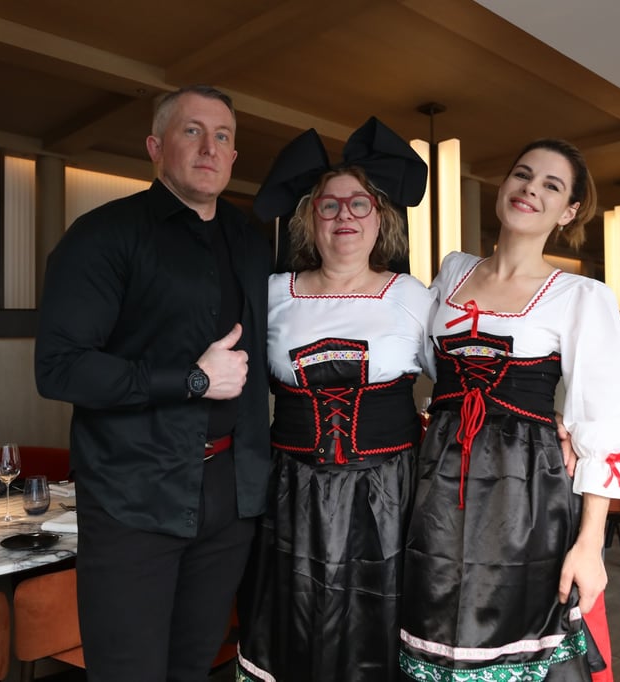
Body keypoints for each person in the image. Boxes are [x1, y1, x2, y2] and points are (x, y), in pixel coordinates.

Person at [34, 85, 271, 681]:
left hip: (230, 500)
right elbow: (59, 367)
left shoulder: (251, 243)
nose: (209, 147)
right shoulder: (102, 235)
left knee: (194, 669)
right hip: (131, 498)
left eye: (222, 136)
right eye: (192, 131)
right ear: (155, 146)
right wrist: (193, 379)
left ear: (234, 156)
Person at [399, 138, 620, 680]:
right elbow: (424, 361)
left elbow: (603, 416)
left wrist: (590, 545)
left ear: (568, 211)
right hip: (437, 481)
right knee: (434, 622)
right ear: (504, 184)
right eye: (522, 174)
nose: (531, 189)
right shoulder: (453, 272)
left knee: (519, 630)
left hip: (526, 490)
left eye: (551, 185)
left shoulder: (579, 295)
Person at [235, 118, 435, 682]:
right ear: (310, 220)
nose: (344, 214)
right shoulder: (273, 294)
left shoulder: (411, 297)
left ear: (380, 218)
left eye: (358, 203)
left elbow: (455, 384)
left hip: (388, 494)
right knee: (298, 622)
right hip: (291, 491)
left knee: (379, 623)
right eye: (329, 205)